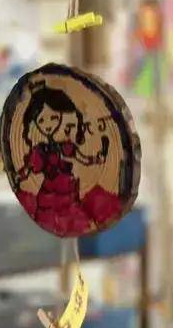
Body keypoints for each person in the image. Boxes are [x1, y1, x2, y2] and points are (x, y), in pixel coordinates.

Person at [16, 83, 121, 236]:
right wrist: (20, 176)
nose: (48, 125)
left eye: (54, 118)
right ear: (35, 123)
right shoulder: (39, 152)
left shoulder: (66, 146)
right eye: (41, 120)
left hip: (69, 195)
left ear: (60, 117)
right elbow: (28, 169)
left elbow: (84, 159)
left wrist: (98, 158)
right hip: (49, 197)